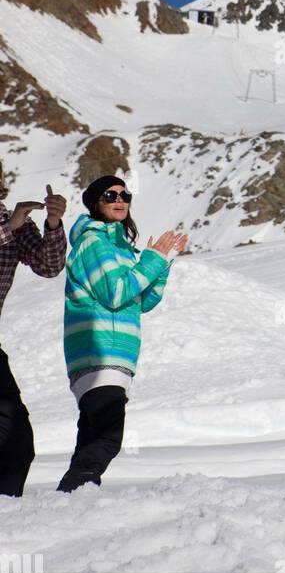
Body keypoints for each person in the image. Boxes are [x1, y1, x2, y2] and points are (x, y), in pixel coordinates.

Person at [57, 176, 187, 493]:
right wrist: (152, 260)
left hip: (115, 356)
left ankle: (69, 501)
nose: (120, 199)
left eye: (125, 194)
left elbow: (141, 301)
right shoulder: (93, 243)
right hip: (98, 352)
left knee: (94, 437)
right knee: (107, 437)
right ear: (94, 202)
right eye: (110, 194)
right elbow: (116, 293)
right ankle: (76, 494)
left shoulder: (121, 249)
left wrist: (162, 264)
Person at [0, 166, 67, 496]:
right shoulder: (9, 223)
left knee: (17, 441)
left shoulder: (14, 222)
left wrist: (52, 223)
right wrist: (8, 226)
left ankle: (6, 516)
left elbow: (49, 266)